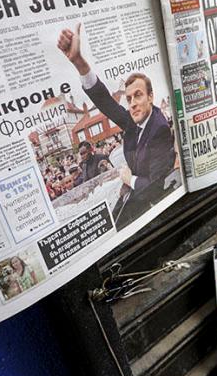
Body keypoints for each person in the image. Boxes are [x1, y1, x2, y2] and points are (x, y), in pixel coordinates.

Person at [57, 24, 177, 228]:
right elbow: (106, 102)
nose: (132, 103)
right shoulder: (133, 120)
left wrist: (130, 179)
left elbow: (158, 185)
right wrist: (79, 62)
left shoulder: (159, 129)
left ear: (150, 97)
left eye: (138, 95)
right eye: (129, 98)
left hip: (155, 210)